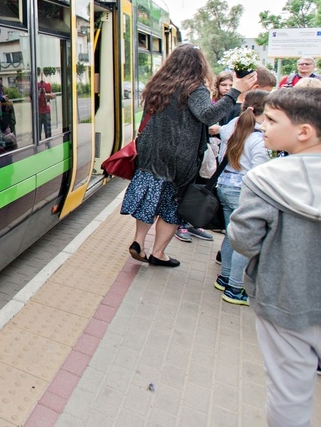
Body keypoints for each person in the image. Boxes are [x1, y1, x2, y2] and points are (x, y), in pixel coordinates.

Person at [228, 88, 321, 426]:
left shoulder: (265, 179)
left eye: (270, 120)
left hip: (284, 303)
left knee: (289, 396)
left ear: (304, 131)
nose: (262, 126)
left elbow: (243, 239)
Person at [122, 43, 257, 268]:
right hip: (179, 155)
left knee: (150, 195)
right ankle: (158, 253)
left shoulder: (158, 85)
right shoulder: (194, 88)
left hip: (151, 151)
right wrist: (235, 92)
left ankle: (138, 242)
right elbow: (207, 115)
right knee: (173, 204)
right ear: (198, 65)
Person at [212, 90, 269, 306]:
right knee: (243, 241)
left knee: (230, 235)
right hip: (243, 191)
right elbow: (260, 171)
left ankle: (225, 277)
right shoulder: (259, 139)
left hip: (224, 186)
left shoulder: (233, 125)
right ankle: (235, 288)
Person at [36, 70, 55, 140]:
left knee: (48, 129)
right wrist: (38, 92)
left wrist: (46, 94)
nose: (41, 76)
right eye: (40, 74)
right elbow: (32, 98)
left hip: (46, 110)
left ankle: (48, 141)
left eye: (42, 74)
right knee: (38, 130)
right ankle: (38, 142)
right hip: (39, 111)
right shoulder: (36, 86)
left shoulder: (47, 85)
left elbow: (52, 96)